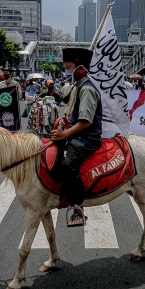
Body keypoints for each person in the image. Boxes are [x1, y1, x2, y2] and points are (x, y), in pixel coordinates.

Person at [50, 48, 103, 227]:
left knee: (68, 164)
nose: (66, 71)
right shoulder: (77, 87)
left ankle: (77, 206)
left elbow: (85, 122)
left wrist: (64, 134)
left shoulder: (87, 89)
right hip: (77, 134)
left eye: (68, 67)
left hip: (87, 138)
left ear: (81, 69)